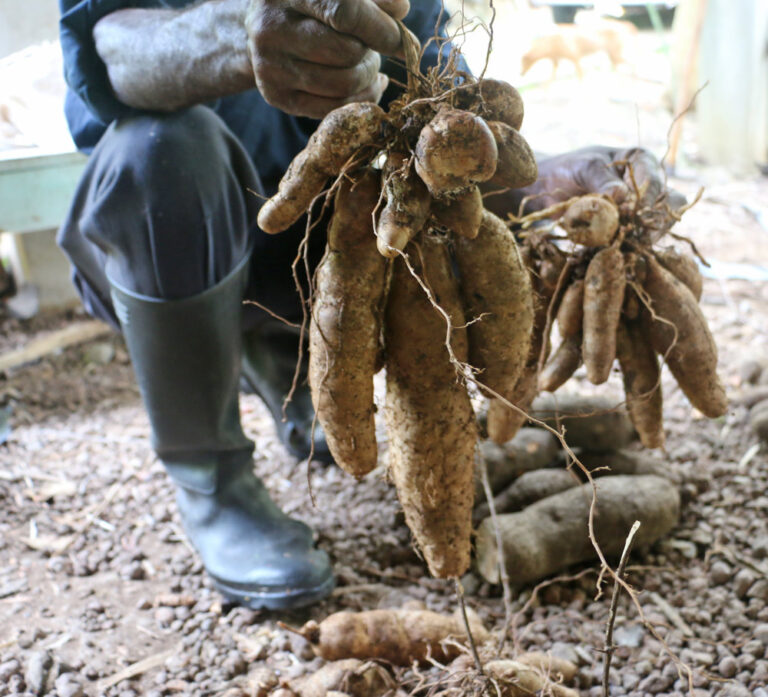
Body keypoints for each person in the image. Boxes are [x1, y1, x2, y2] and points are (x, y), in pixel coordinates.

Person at [57, 0, 671, 611]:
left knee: (393, 257)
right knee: (163, 147)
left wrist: (545, 183)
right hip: (170, 245)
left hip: (332, 260)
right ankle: (209, 476)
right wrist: (235, 34)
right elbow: (111, 48)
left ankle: (280, 355)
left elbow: (444, 129)